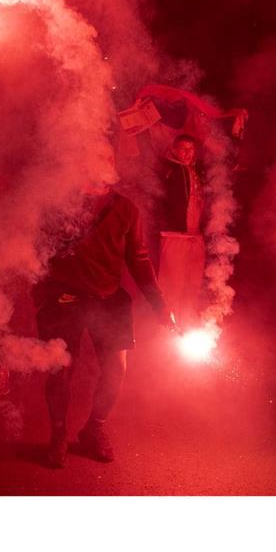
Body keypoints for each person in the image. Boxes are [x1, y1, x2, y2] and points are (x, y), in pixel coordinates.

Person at [33, 179, 174, 468]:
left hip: (108, 298)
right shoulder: (59, 201)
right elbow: (38, 249)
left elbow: (139, 258)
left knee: (116, 369)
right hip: (65, 297)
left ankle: (93, 429)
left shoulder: (125, 209)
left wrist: (160, 306)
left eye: (106, 157)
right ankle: (59, 433)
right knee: (60, 369)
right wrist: (40, 291)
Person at [156, 134, 207, 328]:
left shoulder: (197, 170)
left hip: (195, 236)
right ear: (175, 150)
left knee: (193, 285)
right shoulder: (167, 170)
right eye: (183, 149)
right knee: (172, 285)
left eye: (191, 149)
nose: (187, 153)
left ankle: (188, 326)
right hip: (174, 235)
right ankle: (169, 328)